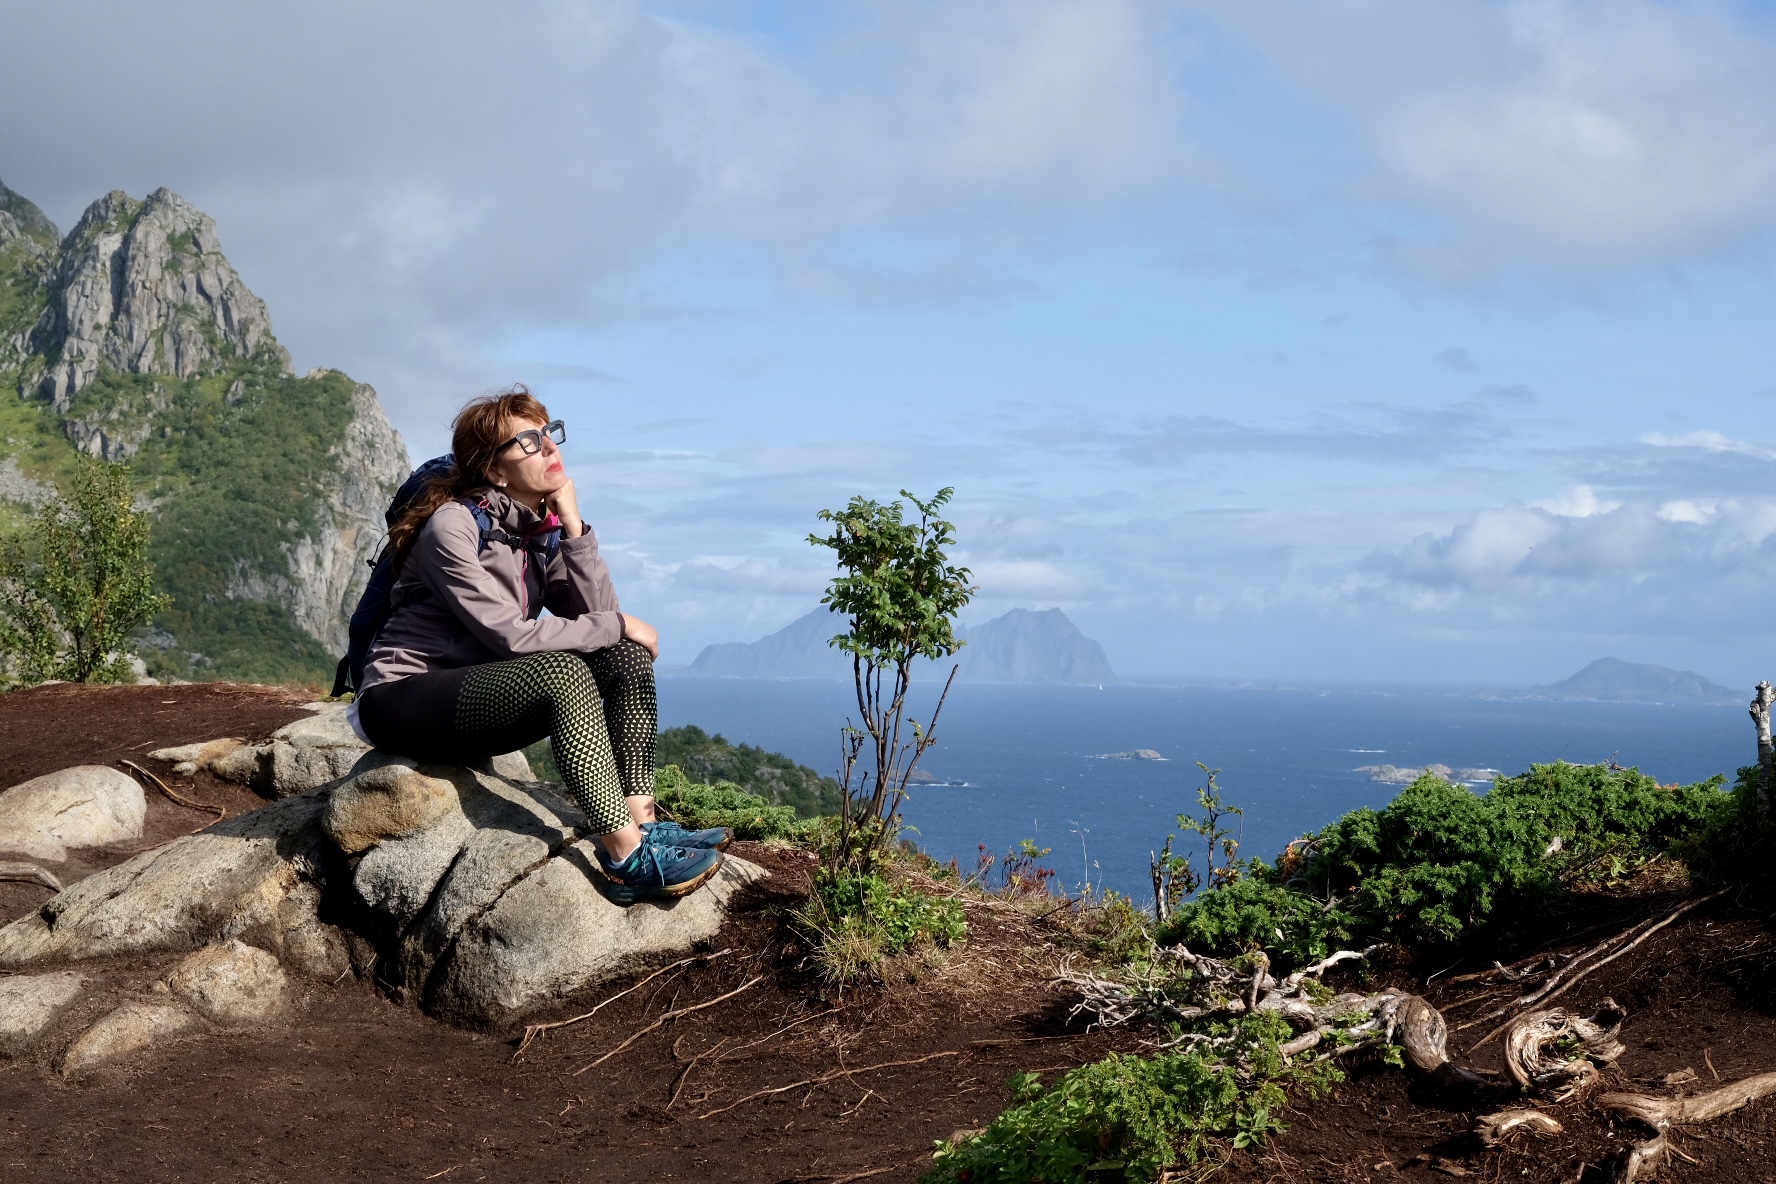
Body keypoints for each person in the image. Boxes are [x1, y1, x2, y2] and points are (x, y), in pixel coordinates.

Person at [349, 386, 728, 902]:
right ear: (494, 469)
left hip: (481, 697)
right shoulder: (452, 527)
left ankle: (643, 823)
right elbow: (510, 636)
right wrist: (618, 623)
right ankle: (626, 859)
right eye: (529, 442)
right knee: (563, 671)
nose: (550, 448)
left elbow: (597, 624)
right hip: (403, 697)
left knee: (625, 657)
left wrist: (573, 529)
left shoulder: (537, 533)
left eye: (549, 434)